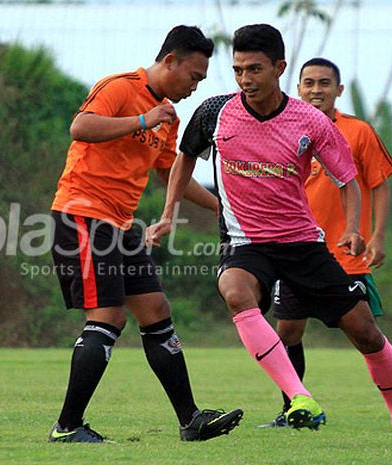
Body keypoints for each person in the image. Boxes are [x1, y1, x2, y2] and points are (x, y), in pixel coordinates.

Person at [146, 24, 392, 447]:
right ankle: (299, 396)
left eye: (255, 69)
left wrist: (351, 228)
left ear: (279, 67)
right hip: (246, 242)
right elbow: (184, 159)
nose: (245, 80)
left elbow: (347, 179)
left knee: (364, 331)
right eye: (238, 70)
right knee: (235, 291)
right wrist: (168, 213)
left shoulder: (310, 121)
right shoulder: (215, 112)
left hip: (303, 244)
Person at [48, 25, 242, 444]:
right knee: (109, 316)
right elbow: (80, 128)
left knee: (155, 308)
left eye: (201, 81)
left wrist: (220, 203)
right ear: (169, 60)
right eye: (193, 76)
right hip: (81, 215)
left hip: (120, 225)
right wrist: (141, 119)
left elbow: (165, 174)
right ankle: (67, 427)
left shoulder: (167, 117)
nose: (195, 86)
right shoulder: (120, 88)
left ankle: (190, 419)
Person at [260, 57, 392, 428]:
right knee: (286, 332)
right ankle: (294, 411)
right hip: (294, 250)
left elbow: (379, 183)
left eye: (324, 83)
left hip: (344, 254)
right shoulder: (280, 129)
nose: (316, 90)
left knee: (365, 333)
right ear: (298, 87)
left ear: (338, 90)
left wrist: (377, 236)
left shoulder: (358, 131)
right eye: (308, 83)